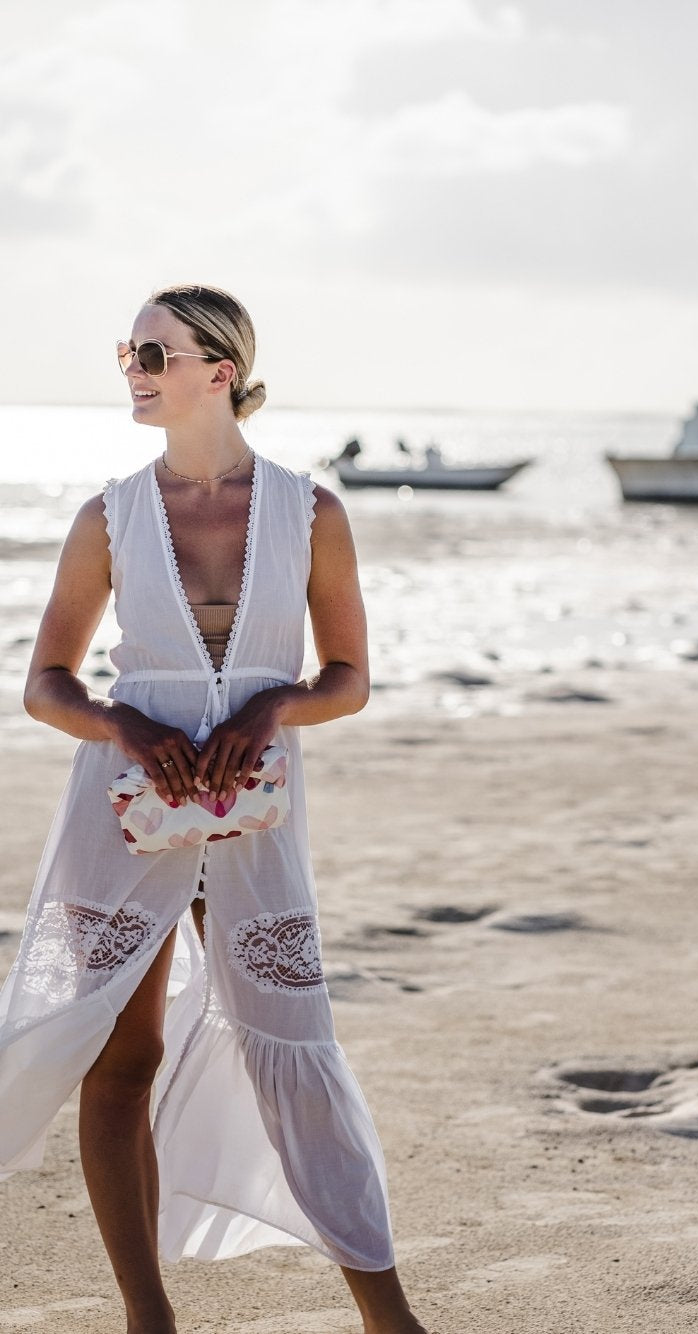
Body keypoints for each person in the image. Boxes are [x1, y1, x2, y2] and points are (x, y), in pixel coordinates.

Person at [0, 285, 429, 1334]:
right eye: (126, 349)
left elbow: (349, 676)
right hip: (126, 806)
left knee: (294, 1044)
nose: (133, 367)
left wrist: (277, 702)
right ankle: (151, 1319)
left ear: (218, 369)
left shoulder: (308, 509)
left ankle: (390, 1318)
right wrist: (122, 726)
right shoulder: (108, 514)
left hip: (257, 813)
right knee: (120, 1057)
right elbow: (46, 680)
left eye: (153, 349)